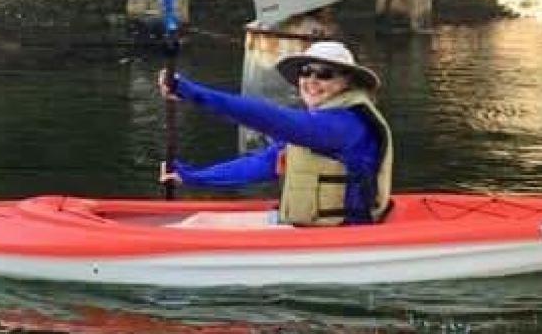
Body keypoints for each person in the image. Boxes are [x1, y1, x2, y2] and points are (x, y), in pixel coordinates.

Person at [157, 40, 393, 226]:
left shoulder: (345, 125)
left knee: (201, 223)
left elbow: (268, 118)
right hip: (309, 225)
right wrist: (193, 177)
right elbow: (263, 165)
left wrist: (194, 93)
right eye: (306, 71)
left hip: (342, 231)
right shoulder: (321, 122)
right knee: (202, 220)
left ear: (346, 83)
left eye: (325, 74)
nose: (311, 81)